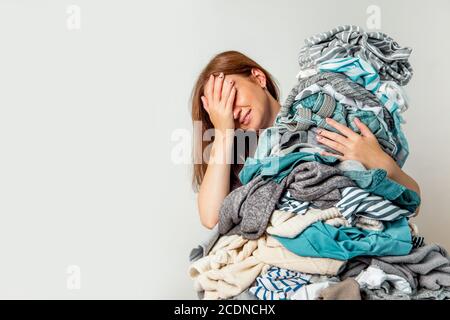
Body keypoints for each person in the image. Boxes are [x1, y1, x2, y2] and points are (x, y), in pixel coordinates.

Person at [190, 51, 421, 229]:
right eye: (222, 110)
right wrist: (222, 132)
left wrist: (379, 161)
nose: (233, 112)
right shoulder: (244, 163)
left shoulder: (323, 111)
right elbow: (211, 218)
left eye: (232, 96)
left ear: (258, 77)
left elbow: (414, 200)